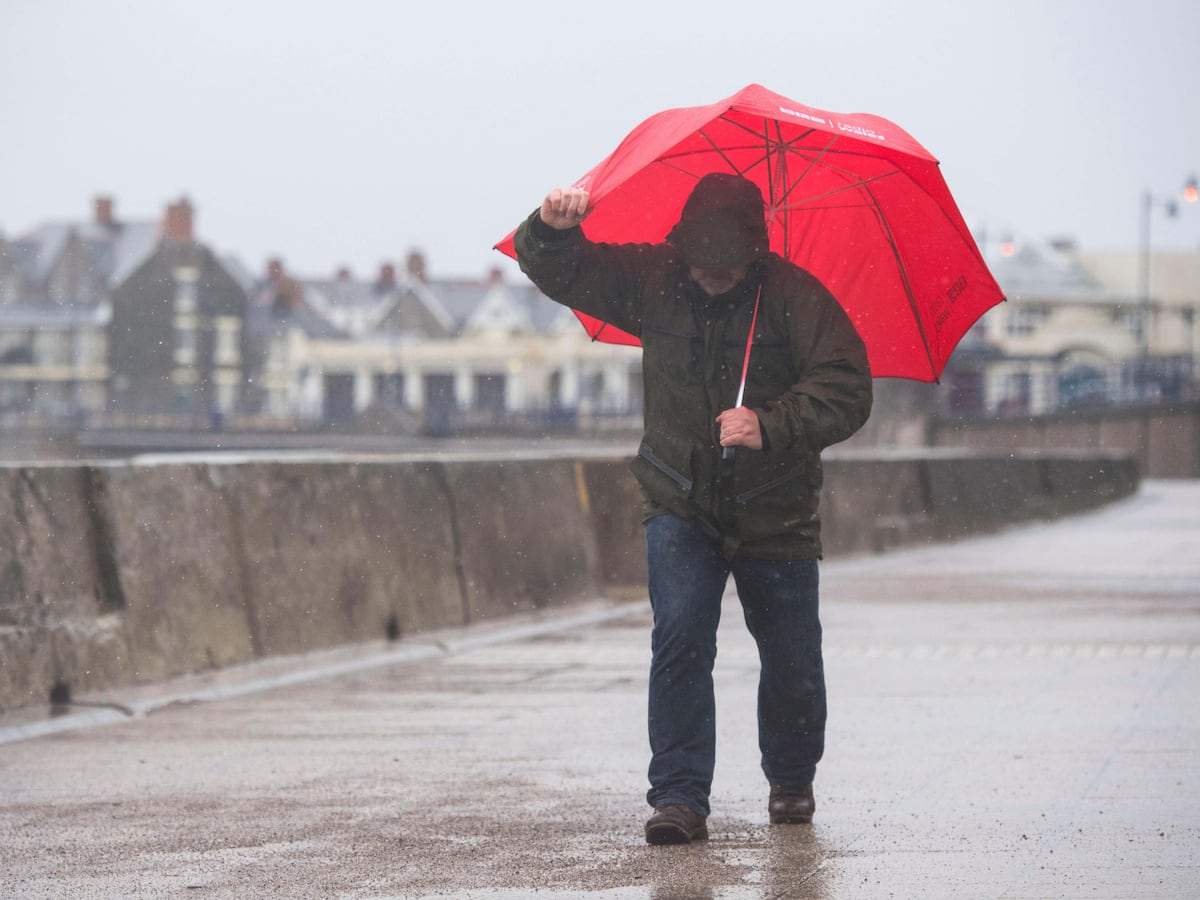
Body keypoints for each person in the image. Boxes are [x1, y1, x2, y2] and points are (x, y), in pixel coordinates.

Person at [513, 173, 873, 845]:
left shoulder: (797, 297)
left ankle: (791, 780)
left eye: (727, 269)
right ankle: (678, 798)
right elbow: (564, 273)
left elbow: (849, 388)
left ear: (753, 254)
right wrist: (552, 230)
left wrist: (772, 422)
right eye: (701, 267)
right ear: (680, 248)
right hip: (678, 497)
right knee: (679, 638)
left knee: (793, 656)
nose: (712, 279)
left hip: (777, 510)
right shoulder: (654, 278)